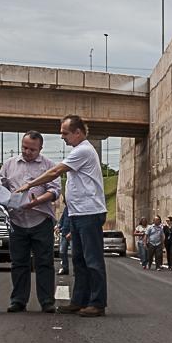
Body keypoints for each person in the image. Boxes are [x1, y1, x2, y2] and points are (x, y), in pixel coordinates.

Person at [16, 115, 107, 317]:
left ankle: (97, 302)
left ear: (77, 132)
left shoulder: (83, 150)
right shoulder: (78, 150)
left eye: (65, 133)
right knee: (79, 260)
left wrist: (30, 184)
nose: (62, 137)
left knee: (92, 260)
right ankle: (79, 300)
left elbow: (55, 171)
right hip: (78, 213)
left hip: (89, 213)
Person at [0, 131, 61, 313]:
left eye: (32, 150)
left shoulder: (49, 166)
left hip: (41, 220)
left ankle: (47, 301)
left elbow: (55, 191)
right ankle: (18, 300)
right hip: (17, 221)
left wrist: (37, 201)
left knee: (44, 262)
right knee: (19, 263)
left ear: (40, 149)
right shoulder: (9, 165)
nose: (27, 152)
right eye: (24, 148)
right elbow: (1, 188)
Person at [57, 198, 71, 275]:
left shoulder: (74, 208)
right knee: (62, 251)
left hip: (72, 233)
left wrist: (71, 232)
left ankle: (77, 270)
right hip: (64, 233)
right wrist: (58, 226)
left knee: (75, 253)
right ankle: (65, 268)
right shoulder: (66, 209)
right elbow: (62, 220)